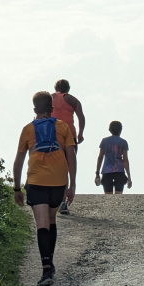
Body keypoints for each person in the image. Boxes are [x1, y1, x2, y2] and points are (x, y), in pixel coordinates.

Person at [12, 91, 77, 286]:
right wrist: (72, 184)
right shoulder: (63, 127)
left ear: (34, 109)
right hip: (58, 181)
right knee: (51, 220)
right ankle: (49, 263)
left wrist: (16, 188)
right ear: (52, 108)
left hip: (37, 181)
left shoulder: (27, 129)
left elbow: (19, 161)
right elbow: (71, 156)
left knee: (42, 225)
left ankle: (46, 268)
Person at [52, 80, 85, 215]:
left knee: (52, 166)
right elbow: (81, 118)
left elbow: (40, 114)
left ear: (56, 88)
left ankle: (51, 197)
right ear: (68, 89)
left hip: (52, 134)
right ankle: (63, 202)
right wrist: (80, 134)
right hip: (69, 135)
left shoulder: (50, 98)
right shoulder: (73, 100)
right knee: (66, 167)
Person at [94, 121, 132, 194]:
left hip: (107, 171)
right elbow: (125, 160)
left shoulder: (104, 141)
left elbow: (100, 157)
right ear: (120, 130)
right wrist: (129, 177)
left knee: (108, 196)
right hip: (119, 171)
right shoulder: (123, 142)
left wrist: (97, 173)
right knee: (118, 196)